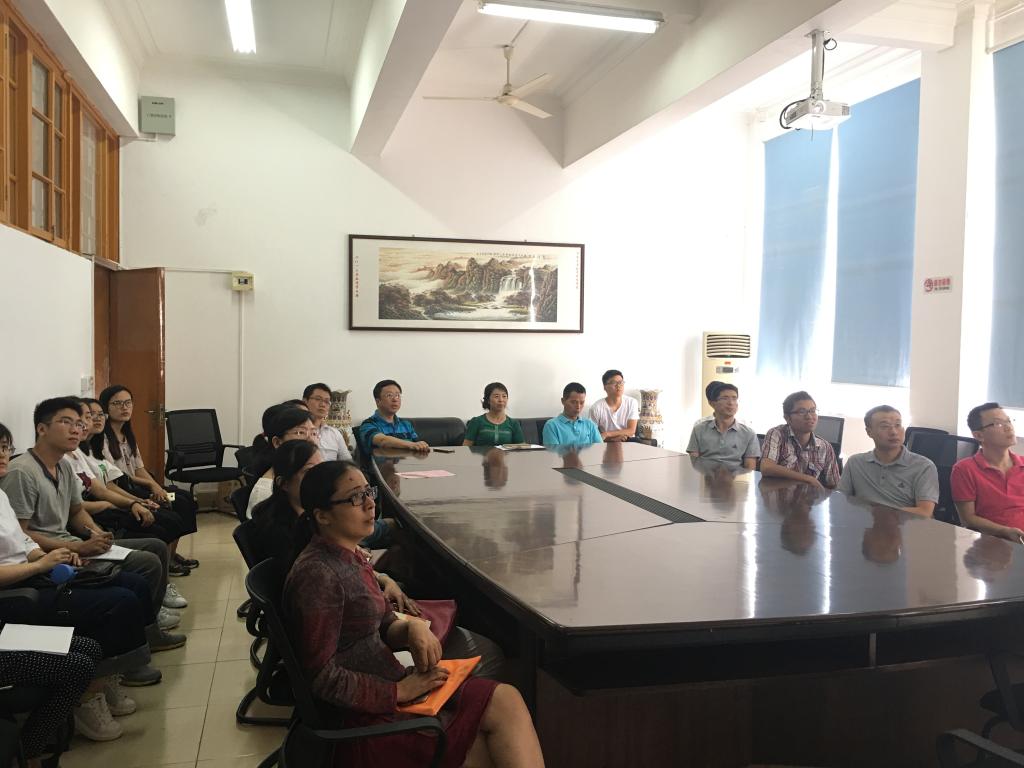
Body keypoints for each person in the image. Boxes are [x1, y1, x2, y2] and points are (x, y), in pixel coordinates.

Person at [284, 461, 544, 768]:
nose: (370, 503)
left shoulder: (351, 555)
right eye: (355, 497)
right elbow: (321, 678)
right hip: (364, 718)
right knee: (488, 749)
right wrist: (397, 691)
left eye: (368, 492)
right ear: (322, 515)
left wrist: (412, 629)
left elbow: (383, 625)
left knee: (508, 700)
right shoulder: (319, 575)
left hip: (392, 683)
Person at [0, 420, 159, 741]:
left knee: (128, 585)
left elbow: (23, 542)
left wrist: (55, 557)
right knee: (116, 602)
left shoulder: (1, 494)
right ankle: (86, 699)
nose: (3, 455)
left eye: (5, 448)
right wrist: (42, 563)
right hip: (16, 594)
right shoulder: (22, 474)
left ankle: (105, 680)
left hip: (34, 575)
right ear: (42, 429)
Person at [0, 399, 186, 655]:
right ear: (41, 429)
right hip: (55, 554)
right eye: (66, 422)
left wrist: (96, 534)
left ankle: (146, 629)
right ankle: (138, 638)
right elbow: (24, 534)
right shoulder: (21, 472)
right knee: (144, 566)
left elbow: (76, 512)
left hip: (66, 547)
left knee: (155, 547)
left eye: (79, 424)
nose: (76, 430)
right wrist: (75, 548)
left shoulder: (64, 465)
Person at [252, 441, 418, 614]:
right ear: (284, 484)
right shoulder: (313, 566)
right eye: (309, 471)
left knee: (399, 547)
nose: (320, 476)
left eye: (322, 466)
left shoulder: (315, 523)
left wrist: (384, 579)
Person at [68, 398, 190, 612]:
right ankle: (164, 575)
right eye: (86, 417)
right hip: (114, 503)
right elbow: (102, 491)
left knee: (181, 500)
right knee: (167, 516)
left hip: (125, 495)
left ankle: (170, 562)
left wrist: (151, 490)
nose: (91, 422)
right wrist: (136, 499)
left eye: (128, 403)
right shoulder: (93, 446)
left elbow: (127, 475)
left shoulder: (113, 442)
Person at [96, 385, 199, 576]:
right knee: (176, 504)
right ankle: (167, 561)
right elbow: (120, 476)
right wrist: (152, 486)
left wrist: (159, 488)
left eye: (128, 403)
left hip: (142, 488)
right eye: (117, 403)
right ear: (106, 408)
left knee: (183, 498)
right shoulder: (102, 439)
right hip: (131, 492)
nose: (124, 407)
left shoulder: (127, 435)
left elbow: (139, 468)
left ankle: (171, 554)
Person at [837, 406, 938, 518]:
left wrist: (878, 513)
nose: (894, 432)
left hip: (905, 526)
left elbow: (924, 512)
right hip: (864, 524)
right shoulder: (855, 463)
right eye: (884, 426)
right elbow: (840, 499)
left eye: (898, 425)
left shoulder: (923, 466)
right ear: (869, 432)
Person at [952, 402, 1024, 542]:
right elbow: (968, 519)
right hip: (992, 542)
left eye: (1008, 421)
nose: (1009, 427)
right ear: (979, 435)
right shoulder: (964, 470)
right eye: (998, 424)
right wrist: (1004, 531)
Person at [246, 407, 318, 518]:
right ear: (277, 442)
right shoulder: (265, 492)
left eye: (313, 433)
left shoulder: (306, 472)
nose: (311, 440)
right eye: (300, 432)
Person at [760, 391, 840, 489]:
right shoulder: (777, 434)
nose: (809, 416)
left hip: (809, 498)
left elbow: (835, 485)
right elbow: (767, 467)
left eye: (812, 411)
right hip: (779, 496)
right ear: (787, 418)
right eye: (802, 412)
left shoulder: (825, 447)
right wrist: (808, 479)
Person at [686, 381, 760, 470]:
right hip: (706, 476)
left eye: (734, 398)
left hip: (736, 477)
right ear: (713, 403)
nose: (731, 403)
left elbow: (750, 468)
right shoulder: (699, 429)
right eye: (725, 398)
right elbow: (694, 463)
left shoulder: (748, 433)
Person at [357, 380, 430, 455]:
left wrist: (421, 445)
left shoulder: (406, 424)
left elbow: (417, 445)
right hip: (383, 462)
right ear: (378, 401)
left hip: (408, 462)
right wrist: (411, 444)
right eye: (389, 395)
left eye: (397, 395)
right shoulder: (368, 424)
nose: (395, 399)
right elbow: (383, 441)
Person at [303, 382, 353, 461]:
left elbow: (348, 462)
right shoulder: (297, 431)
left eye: (327, 401)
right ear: (305, 401)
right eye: (318, 399)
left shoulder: (335, 433)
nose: (323, 404)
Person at [464, 383, 525, 447]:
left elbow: (521, 448)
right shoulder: (476, 421)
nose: (501, 400)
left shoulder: (513, 423)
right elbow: (466, 448)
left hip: (506, 454)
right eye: (496, 396)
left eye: (504, 396)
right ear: (488, 400)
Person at [588, 370, 639, 442]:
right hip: (606, 443)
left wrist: (607, 434)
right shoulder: (596, 408)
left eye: (621, 382)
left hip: (629, 441)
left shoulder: (632, 402)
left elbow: (631, 430)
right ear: (605, 387)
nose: (618, 386)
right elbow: (592, 435)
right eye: (614, 383)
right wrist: (613, 439)